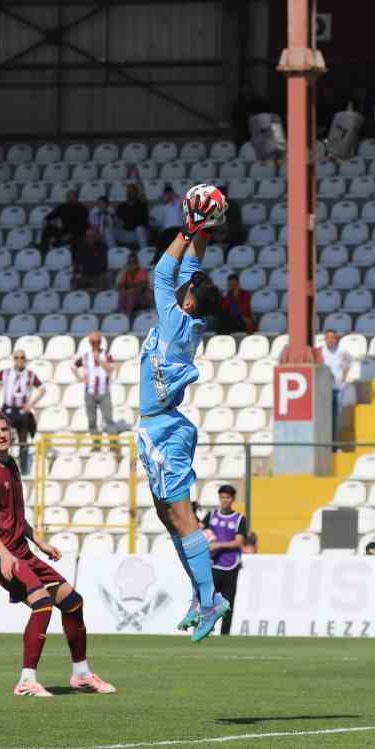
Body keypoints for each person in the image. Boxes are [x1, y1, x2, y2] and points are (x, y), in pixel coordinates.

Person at [134, 183, 228, 642]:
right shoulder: (186, 319)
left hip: (165, 429)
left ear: (189, 301)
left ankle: (211, 598)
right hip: (157, 427)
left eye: (187, 289)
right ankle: (199, 591)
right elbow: (189, 269)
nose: (182, 287)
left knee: (182, 514)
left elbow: (161, 273)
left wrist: (187, 228)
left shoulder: (174, 320)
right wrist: (203, 231)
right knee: (165, 513)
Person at [0, 410, 115, 697]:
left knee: (73, 602)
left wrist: (39, 542)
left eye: (4, 429)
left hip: (21, 551)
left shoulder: (10, 464)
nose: (2, 435)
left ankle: (81, 674)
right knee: (43, 604)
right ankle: (26, 680)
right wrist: (5, 555)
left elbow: (13, 516)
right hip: (2, 557)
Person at [201, 484, 249, 636]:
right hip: (213, 564)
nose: (225, 500)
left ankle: (224, 635)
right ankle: (204, 630)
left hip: (231, 565)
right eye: (222, 497)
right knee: (208, 601)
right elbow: (199, 529)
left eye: (228, 497)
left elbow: (239, 542)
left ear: (233, 499)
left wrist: (218, 545)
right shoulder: (211, 516)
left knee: (227, 604)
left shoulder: (239, 519)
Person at [0, 349, 44, 473]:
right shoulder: (6, 373)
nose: (19, 360)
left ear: (25, 360)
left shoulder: (30, 375)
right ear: (13, 359)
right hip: (8, 409)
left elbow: (42, 389)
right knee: (3, 437)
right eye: (17, 357)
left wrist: (31, 404)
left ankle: (23, 469)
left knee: (23, 440)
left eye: (22, 358)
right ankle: (2, 466)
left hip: (22, 411)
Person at [73, 330, 117, 444]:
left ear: (100, 342)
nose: (95, 344)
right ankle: (96, 444)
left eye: (97, 341)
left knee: (108, 419)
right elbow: (73, 366)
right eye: (92, 342)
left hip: (104, 391)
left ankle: (113, 444)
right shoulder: (85, 356)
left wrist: (99, 360)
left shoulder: (106, 355)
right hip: (90, 392)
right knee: (92, 420)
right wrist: (80, 378)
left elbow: (111, 370)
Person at [319, 328, 351, 443]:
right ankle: (325, 442)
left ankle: (335, 444)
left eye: (333, 338)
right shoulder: (320, 351)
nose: (330, 340)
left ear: (336, 339)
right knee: (324, 417)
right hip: (324, 389)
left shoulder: (342, 351)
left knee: (336, 417)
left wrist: (344, 377)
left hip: (337, 388)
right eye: (328, 338)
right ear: (325, 339)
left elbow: (348, 363)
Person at [72, 222, 110, 290]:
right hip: (84, 275)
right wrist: (76, 272)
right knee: (73, 280)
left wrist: (104, 273)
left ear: (96, 236)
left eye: (92, 236)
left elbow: (104, 262)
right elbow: (77, 261)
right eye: (88, 236)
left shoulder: (102, 246)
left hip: (98, 276)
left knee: (105, 280)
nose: (90, 238)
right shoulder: (81, 247)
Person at [113, 182, 150, 248]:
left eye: (131, 191)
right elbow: (116, 221)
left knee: (140, 229)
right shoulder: (121, 206)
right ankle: (113, 252)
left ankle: (144, 251)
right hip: (124, 233)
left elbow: (143, 223)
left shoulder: (142, 206)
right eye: (128, 192)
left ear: (136, 193)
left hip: (137, 233)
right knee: (108, 230)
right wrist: (116, 222)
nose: (129, 193)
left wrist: (125, 222)